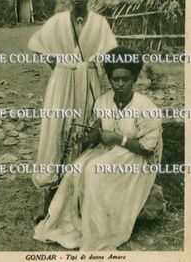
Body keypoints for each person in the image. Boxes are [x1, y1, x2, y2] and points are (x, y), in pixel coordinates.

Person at [33, 47, 163, 250]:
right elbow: (97, 131)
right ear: (109, 79)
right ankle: (71, 224)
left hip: (136, 159)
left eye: (125, 79)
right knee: (73, 171)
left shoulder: (146, 108)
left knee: (95, 172)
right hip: (107, 150)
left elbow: (148, 149)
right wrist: (88, 137)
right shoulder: (103, 101)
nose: (120, 84)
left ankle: (100, 233)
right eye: (115, 79)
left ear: (134, 79)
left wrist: (118, 138)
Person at [28, 0, 117, 188]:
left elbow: (110, 53)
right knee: (60, 123)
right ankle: (56, 176)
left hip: (89, 80)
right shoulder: (58, 21)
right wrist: (58, 67)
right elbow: (37, 45)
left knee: (86, 124)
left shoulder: (99, 23)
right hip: (63, 81)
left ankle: (81, 175)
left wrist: (92, 69)